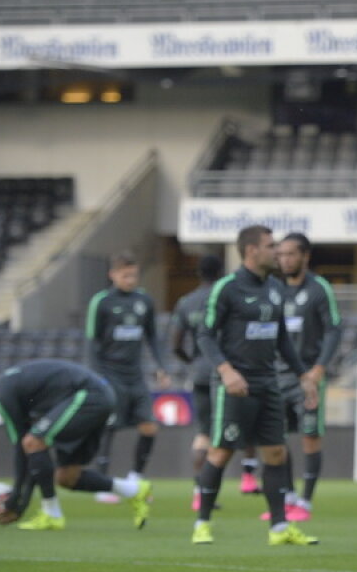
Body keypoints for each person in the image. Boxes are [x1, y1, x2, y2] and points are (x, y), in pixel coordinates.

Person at [191, 224, 320, 546]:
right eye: (270, 245)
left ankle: (279, 528)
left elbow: (281, 340)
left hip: (268, 383)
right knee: (220, 452)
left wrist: (304, 375)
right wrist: (226, 370)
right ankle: (202, 523)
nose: (276, 251)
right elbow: (204, 334)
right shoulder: (227, 288)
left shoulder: (275, 288)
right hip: (234, 386)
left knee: (276, 452)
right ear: (251, 250)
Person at [0, 359, 152, 530]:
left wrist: (18, 500)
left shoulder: (0, 393)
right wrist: (20, 499)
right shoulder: (5, 390)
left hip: (88, 395)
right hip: (96, 396)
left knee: (33, 441)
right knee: (66, 477)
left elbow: (22, 447)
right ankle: (133, 490)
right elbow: (27, 453)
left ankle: (51, 513)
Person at [254, 231, 343, 522]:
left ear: (305, 256)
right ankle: (287, 498)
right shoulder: (274, 288)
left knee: (309, 437)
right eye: (280, 254)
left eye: (291, 253)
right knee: (276, 440)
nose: (284, 259)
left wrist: (319, 368)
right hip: (277, 376)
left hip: (308, 378)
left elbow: (333, 329)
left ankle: (305, 502)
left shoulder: (319, 289)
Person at [170, 253, 256, 511]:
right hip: (230, 373)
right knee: (248, 425)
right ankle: (249, 478)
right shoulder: (228, 296)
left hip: (200, 374)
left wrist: (192, 360)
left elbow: (175, 343)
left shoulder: (186, 302)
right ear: (221, 272)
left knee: (204, 434)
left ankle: (199, 492)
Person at [85, 251, 170, 503]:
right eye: (125, 275)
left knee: (149, 427)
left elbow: (152, 337)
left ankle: (134, 478)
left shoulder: (144, 300)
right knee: (107, 429)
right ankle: (102, 485)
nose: (131, 280)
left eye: (134, 275)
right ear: (113, 275)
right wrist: (98, 377)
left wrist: (160, 366)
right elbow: (92, 343)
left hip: (136, 376)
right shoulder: (101, 301)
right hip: (110, 375)